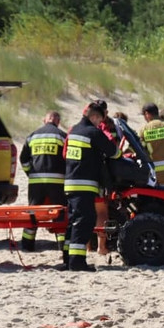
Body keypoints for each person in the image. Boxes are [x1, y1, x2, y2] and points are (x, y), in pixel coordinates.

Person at [62, 101, 120, 271]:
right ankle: (77, 263)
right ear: (94, 116)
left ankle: (68, 258)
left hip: (71, 183)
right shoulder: (92, 132)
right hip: (84, 184)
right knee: (84, 221)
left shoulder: (74, 131)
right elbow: (113, 151)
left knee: (73, 221)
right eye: (99, 120)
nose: (100, 123)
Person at [18, 111, 67, 253]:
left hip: (36, 182)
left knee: (33, 212)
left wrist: (31, 174)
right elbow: (68, 159)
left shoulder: (32, 136)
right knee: (59, 214)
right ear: (58, 121)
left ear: (44, 120)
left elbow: (24, 160)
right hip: (57, 182)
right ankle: (62, 247)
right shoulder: (62, 136)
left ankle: (27, 245)